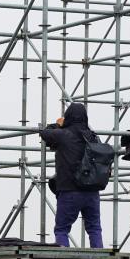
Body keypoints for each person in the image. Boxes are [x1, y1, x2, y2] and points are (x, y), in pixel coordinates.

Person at [39, 103, 104, 248]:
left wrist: (57, 124)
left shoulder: (64, 134)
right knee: (94, 228)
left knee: (62, 229)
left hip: (69, 190)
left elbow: (45, 133)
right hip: (92, 191)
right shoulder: (93, 137)